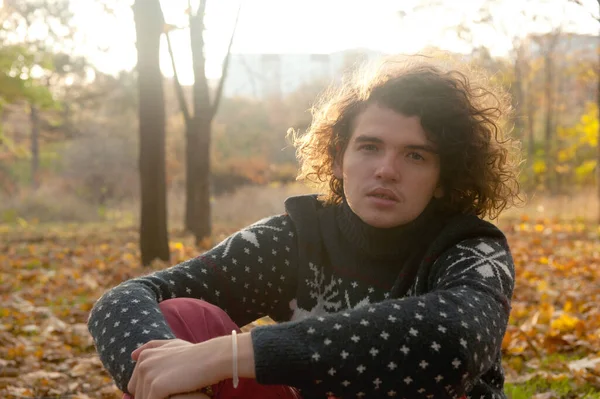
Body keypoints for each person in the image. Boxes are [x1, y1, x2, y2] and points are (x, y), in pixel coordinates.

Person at [87, 54, 522, 399]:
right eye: (369, 147)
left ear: (445, 177)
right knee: (182, 313)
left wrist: (230, 355)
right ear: (338, 158)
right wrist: (177, 387)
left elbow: (455, 340)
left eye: (415, 156)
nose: (387, 170)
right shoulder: (295, 237)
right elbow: (126, 299)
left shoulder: (472, 250)